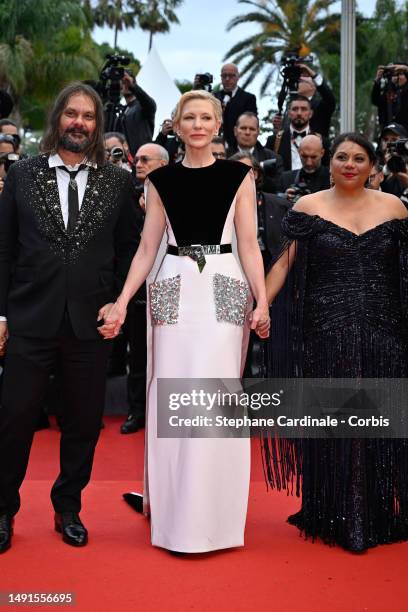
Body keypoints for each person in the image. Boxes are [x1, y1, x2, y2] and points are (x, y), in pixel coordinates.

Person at [100, 90, 269, 553]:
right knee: (169, 391)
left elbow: (251, 245)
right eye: (189, 117)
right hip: (173, 287)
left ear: (219, 125)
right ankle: (175, 515)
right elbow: (147, 248)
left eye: (206, 117)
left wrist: (262, 302)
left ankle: (216, 514)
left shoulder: (241, 177)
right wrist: (121, 301)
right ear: (176, 124)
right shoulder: (161, 181)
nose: (198, 124)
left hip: (226, 287)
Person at [0, 82, 139, 553]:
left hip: (91, 323)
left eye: (88, 116)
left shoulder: (118, 181)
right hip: (29, 317)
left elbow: (127, 250)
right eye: (71, 114)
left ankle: (68, 508)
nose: (78, 122)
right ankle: (3, 509)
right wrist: (0, 313)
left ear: (98, 126)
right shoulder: (22, 174)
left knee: (82, 422)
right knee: (14, 417)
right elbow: (3, 250)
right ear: (57, 118)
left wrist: (118, 301)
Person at [263, 132, 408, 552]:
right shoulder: (309, 207)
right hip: (326, 329)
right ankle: (336, 513)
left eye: (359, 158)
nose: (350, 164)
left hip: (385, 330)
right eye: (342, 157)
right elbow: (284, 263)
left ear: (371, 165)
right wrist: (260, 306)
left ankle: (375, 513)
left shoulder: (395, 208)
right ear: (329, 162)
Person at [120, 143, 169, 435]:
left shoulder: (176, 192)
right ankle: (136, 411)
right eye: (136, 159)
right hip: (136, 285)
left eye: (145, 159)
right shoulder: (127, 196)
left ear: (162, 164)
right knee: (137, 353)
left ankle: (165, 412)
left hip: (168, 282)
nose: (138, 163)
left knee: (167, 353)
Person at [266, 96, 329, 171]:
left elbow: (327, 171)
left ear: (311, 113)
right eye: (295, 109)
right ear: (289, 113)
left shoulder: (322, 141)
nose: (299, 113)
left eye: (304, 109)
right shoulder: (274, 140)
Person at [229, 112, 283, 193]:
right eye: (243, 128)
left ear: (258, 132)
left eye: (252, 129)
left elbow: (279, 189)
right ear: (235, 131)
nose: (247, 132)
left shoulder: (273, 158)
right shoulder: (223, 155)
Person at [214, 63, 258, 151]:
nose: (227, 79)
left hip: (238, 148)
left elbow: (252, 122)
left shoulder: (248, 98)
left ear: (238, 77)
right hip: (215, 146)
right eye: (224, 76)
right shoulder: (213, 97)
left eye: (231, 76)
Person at [115, 71, 157, 157]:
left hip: (144, 157)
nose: (126, 85)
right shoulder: (122, 111)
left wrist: (133, 87)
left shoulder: (142, 106)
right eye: (123, 82)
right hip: (126, 161)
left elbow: (150, 104)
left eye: (127, 82)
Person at [279, 134, 330, 202]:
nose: (309, 163)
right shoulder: (286, 179)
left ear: (322, 153)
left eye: (313, 157)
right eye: (304, 156)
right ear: (299, 152)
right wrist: (283, 200)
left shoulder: (332, 179)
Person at [371, 63, 408, 131]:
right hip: (389, 131)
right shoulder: (389, 91)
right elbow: (375, 100)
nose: (397, 77)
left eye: (400, 74)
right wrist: (377, 80)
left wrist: (405, 68)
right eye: (394, 75)